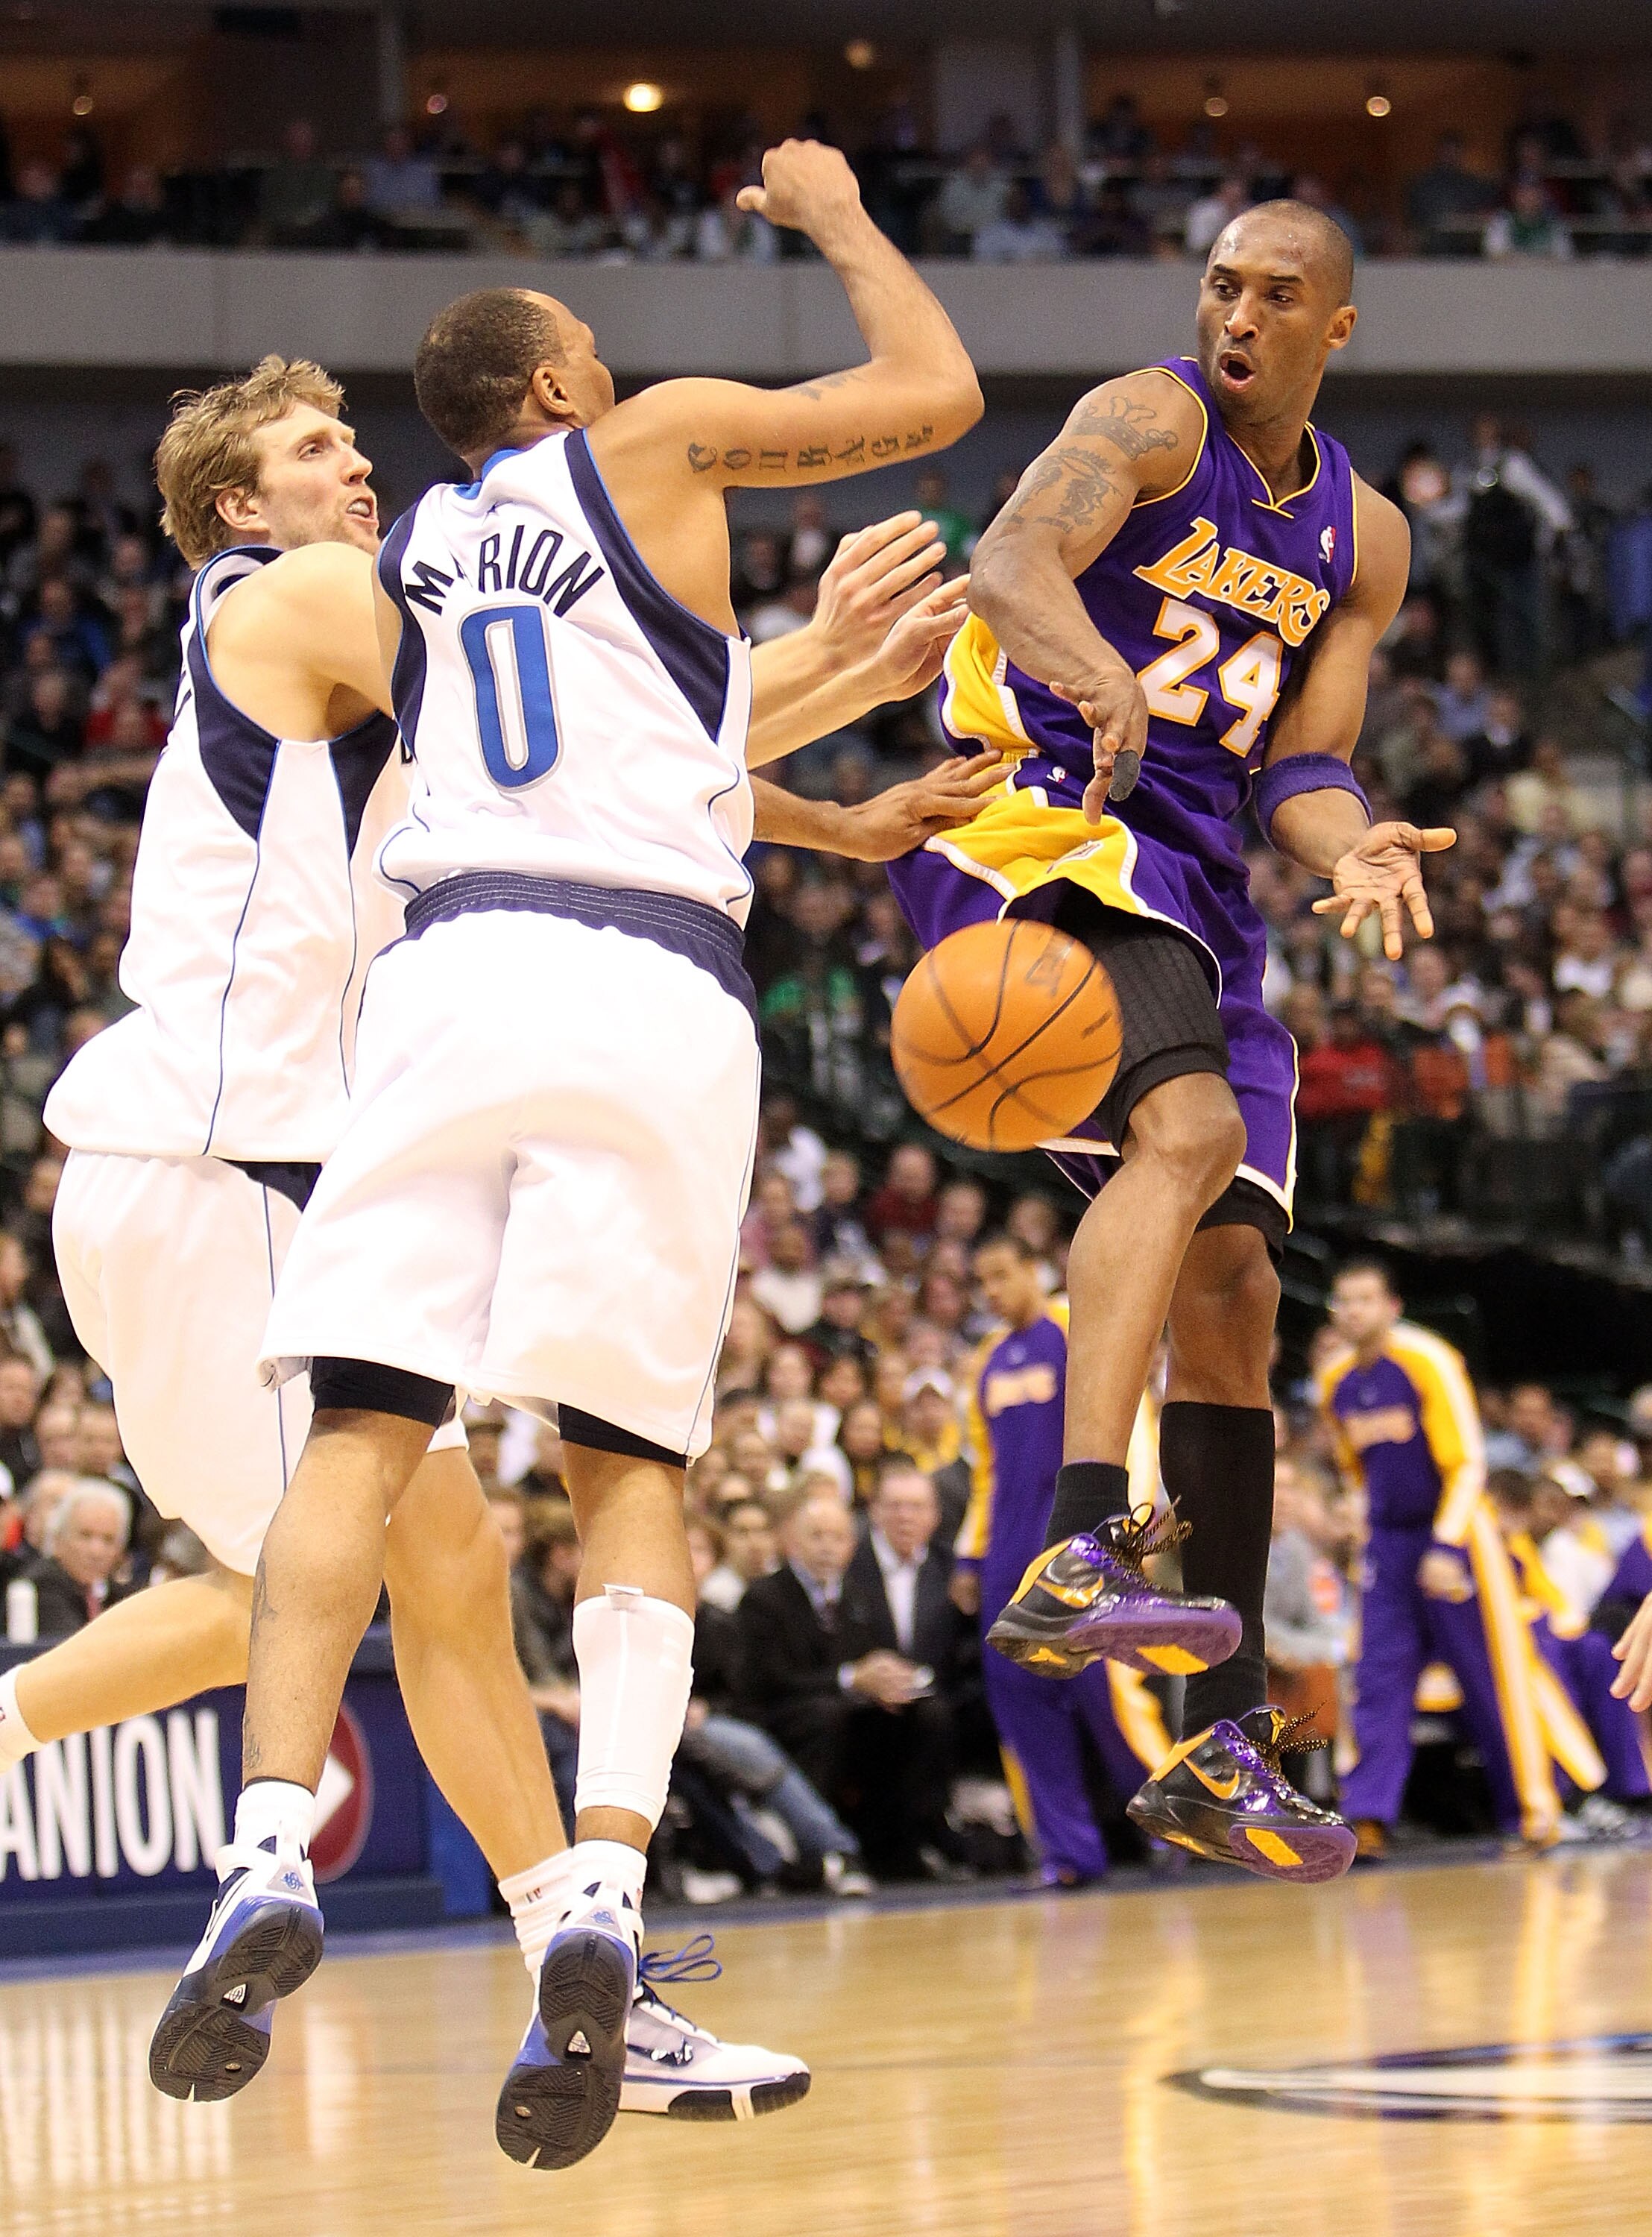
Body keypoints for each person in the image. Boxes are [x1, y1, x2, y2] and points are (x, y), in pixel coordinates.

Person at [0, 359, 948, 2150]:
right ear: (230, 507)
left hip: (207, 1175)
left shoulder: (370, 643)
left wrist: (838, 719)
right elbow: (595, 703)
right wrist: (814, 675)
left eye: (355, 439)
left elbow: (594, 748)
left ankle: (581, 1969)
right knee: (364, 1573)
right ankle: (550, 1940)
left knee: (413, 1571)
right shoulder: (300, 599)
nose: (352, 463)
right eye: (307, 449)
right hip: (230, 1162)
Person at [886, 198, 1457, 1883]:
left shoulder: (1362, 535)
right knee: (1188, 1135)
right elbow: (1005, 560)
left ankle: (1215, 1742)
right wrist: (1092, 673)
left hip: (1205, 880)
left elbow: (1299, 763)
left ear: (1332, 328)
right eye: (1221, 283)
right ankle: (1067, 1547)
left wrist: (1347, 839)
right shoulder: (1146, 421)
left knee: (1239, 1295)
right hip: (1044, 818)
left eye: (1277, 295)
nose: (1237, 313)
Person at [1317, 1261, 1561, 1857]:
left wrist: (1448, 1546)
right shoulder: (1335, 1383)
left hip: (1456, 1534)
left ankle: (1531, 1810)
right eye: (1344, 1302)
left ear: (1392, 1307)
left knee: (1488, 1676)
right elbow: (1354, 1469)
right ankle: (1368, 1819)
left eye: (1366, 1299)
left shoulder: (1430, 1361)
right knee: (1376, 1677)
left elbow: (1469, 1464)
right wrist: (1359, 1516)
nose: (1354, 1311)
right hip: (1388, 1543)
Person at [953, 1233, 1170, 1884]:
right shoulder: (987, 1361)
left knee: (1107, 1690)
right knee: (1019, 1693)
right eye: (982, 1280)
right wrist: (971, 1554)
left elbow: (1135, 1428)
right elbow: (984, 1470)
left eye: (1001, 1274)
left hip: (1086, 1535)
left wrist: (1125, 1535)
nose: (991, 1290)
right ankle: (1068, 1851)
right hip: (1010, 1546)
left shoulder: (1080, 1328)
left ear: (1034, 1270)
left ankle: (1174, 1817)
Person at [736, 1490, 961, 1877]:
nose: (828, 1547)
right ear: (792, 1541)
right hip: (781, 1715)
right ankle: (821, 1850)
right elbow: (768, 1681)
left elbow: (874, 1657)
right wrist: (851, 1679)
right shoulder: (765, 1597)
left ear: (851, 1545)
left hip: (847, 1708)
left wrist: (890, 1679)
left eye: (837, 1537)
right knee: (832, 1717)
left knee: (926, 1714)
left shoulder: (859, 1597)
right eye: (817, 1536)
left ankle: (908, 1842)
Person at [25, 1476, 134, 1635]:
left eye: (108, 1540)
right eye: (85, 1536)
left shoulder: (118, 1594)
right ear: (58, 1538)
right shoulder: (41, 1586)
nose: (96, 1551)